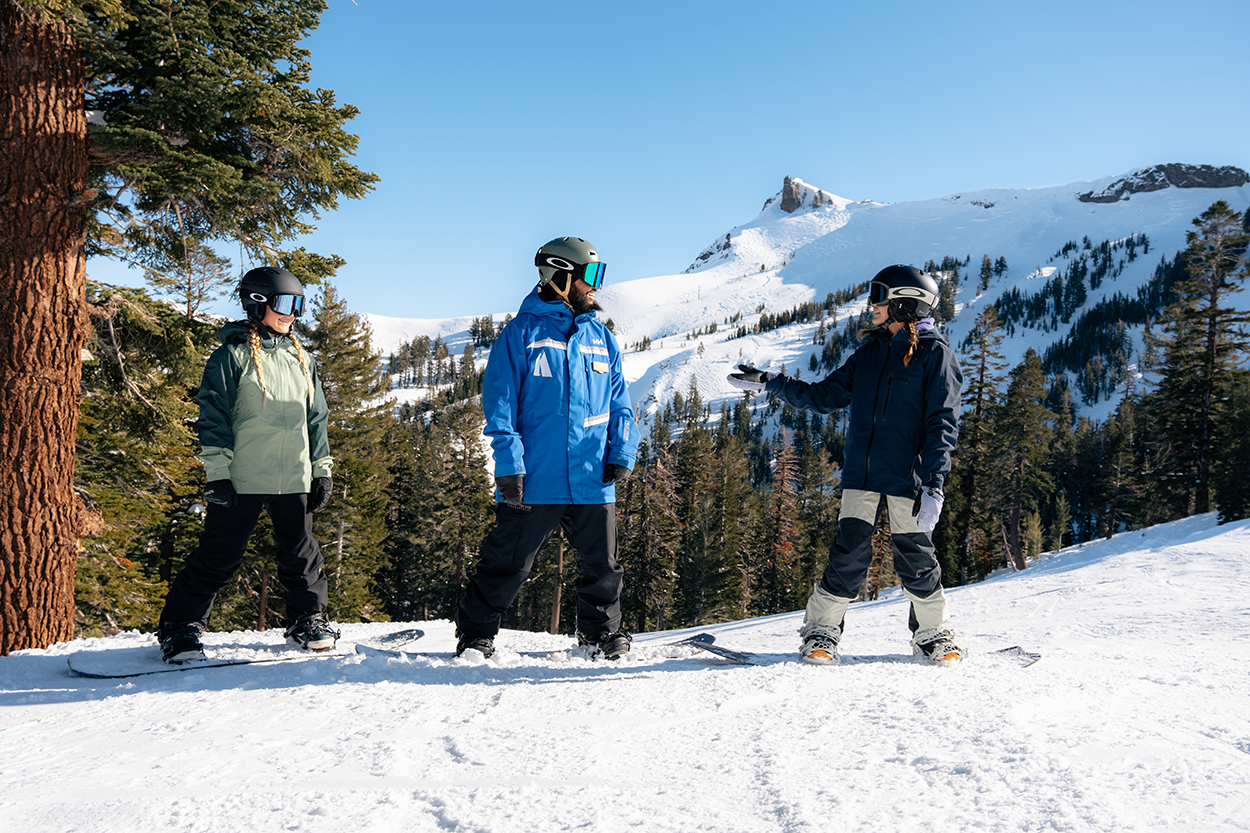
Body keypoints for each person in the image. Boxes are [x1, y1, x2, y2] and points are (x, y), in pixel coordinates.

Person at [728, 265, 965, 665]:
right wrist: (770, 382)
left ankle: (933, 633)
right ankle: (821, 630)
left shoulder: (935, 356)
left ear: (905, 303)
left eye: (880, 295)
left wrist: (934, 482)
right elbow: (824, 397)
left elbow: (942, 423)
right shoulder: (869, 354)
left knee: (916, 556)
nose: (872, 304)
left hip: (910, 479)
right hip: (863, 475)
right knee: (848, 553)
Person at [455, 236, 639, 660]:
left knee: (604, 567)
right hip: (536, 476)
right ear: (560, 275)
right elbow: (499, 407)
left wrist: (621, 452)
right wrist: (509, 466)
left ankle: (601, 635)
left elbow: (620, 404)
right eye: (590, 275)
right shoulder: (521, 334)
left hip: (593, 477)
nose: (596, 285)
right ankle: (476, 635)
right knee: (509, 564)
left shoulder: (601, 338)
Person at [156, 266, 338, 663]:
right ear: (258, 303)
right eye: (286, 303)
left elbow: (317, 418)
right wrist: (219, 474)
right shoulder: (230, 357)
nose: (293, 313)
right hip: (242, 477)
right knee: (220, 553)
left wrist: (321, 469)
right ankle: (181, 627)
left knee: (300, 552)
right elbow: (213, 417)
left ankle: (307, 619)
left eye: (298, 305)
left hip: (294, 475)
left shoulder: (301, 359)